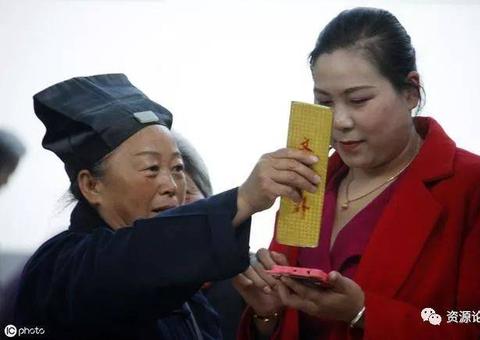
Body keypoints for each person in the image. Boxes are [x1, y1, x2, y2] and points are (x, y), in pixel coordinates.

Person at [234, 7, 480, 340]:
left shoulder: (478, 186)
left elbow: (475, 321)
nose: (340, 121)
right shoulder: (308, 179)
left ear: (411, 92)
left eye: (358, 100)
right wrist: (267, 313)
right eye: (325, 102)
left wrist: (364, 313)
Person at [11, 73, 321, 339]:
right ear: (92, 186)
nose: (173, 186)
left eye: (177, 168)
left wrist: (263, 318)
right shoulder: (61, 267)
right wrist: (244, 199)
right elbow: (133, 259)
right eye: (151, 169)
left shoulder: (190, 301)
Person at [173, 131, 247, 340]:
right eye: (168, 195)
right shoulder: (135, 287)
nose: (177, 208)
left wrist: (266, 317)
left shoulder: (245, 275)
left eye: (187, 194)